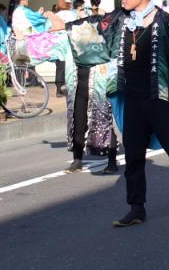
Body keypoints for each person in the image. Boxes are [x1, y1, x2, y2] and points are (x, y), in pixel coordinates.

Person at [56, 0, 169, 227]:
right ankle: (136, 208)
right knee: (134, 157)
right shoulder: (120, 19)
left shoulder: (166, 22)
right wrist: (66, 26)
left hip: (161, 99)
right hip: (133, 98)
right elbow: (95, 26)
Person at [23, 16, 119, 176]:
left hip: (99, 89)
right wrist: (24, 38)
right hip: (76, 90)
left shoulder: (101, 41)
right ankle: (77, 159)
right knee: (77, 124)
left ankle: (112, 161)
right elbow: (45, 45)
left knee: (104, 122)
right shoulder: (67, 41)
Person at [53, 0, 77, 96]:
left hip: (58, 41)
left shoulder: (56, 15)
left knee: (60, 65)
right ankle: (69, 87)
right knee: (70, 65)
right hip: (69, 40)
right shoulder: (72, 14)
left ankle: (58, 89)